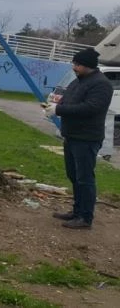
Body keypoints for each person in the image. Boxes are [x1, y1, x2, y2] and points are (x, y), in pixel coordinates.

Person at [44, 48, 112, 229]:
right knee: (73, 176)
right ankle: (76, 211)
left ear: (87, 65)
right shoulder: (78, 82)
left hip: (87, 138)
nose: (74, 67)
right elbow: (67, 100)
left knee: (85, 178)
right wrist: (53, 107)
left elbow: (90, 108)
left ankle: (85, 217)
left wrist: (59, 110)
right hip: (72, 136)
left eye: (77, 64)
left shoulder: (101, 84)